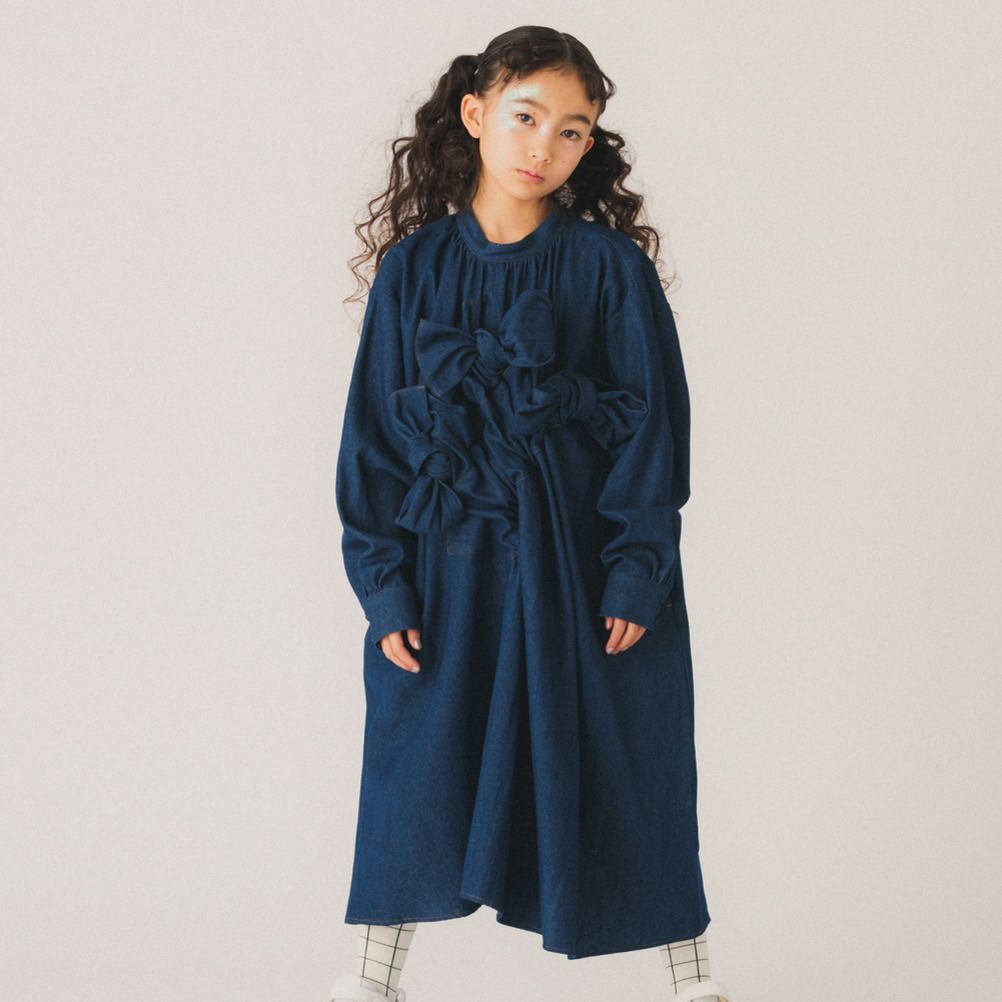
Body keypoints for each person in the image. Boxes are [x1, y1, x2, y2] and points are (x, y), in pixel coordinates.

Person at [331, 24, 734, 1002]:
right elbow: (372, 444)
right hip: (446, 568)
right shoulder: (413, 272)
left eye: (572, 130)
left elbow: (653, 433)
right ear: (475, 114)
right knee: (416, 767)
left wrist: (637, 569)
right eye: (526, 117)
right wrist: (384, 589)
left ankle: (693, 982)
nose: (544, 146)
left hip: (581, 568)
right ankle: (372, 981)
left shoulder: (609, 270)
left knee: (628, 761)